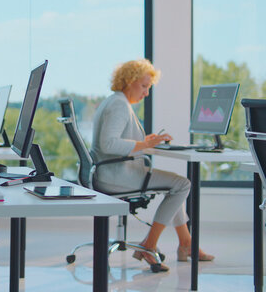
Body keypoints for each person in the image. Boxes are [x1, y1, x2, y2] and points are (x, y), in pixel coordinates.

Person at [91, 58, 214, 272]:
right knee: (182, 184)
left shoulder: (115, 101)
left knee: (173, 185)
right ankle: (149, 245)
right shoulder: (119, 105)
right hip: (117, 176)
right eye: (144, 86)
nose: (146, 93)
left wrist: (145, 141)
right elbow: (108, 143)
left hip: (112, 172)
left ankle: (187, 244)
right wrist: (145, 143)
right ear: (129, 81)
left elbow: (116, 140)